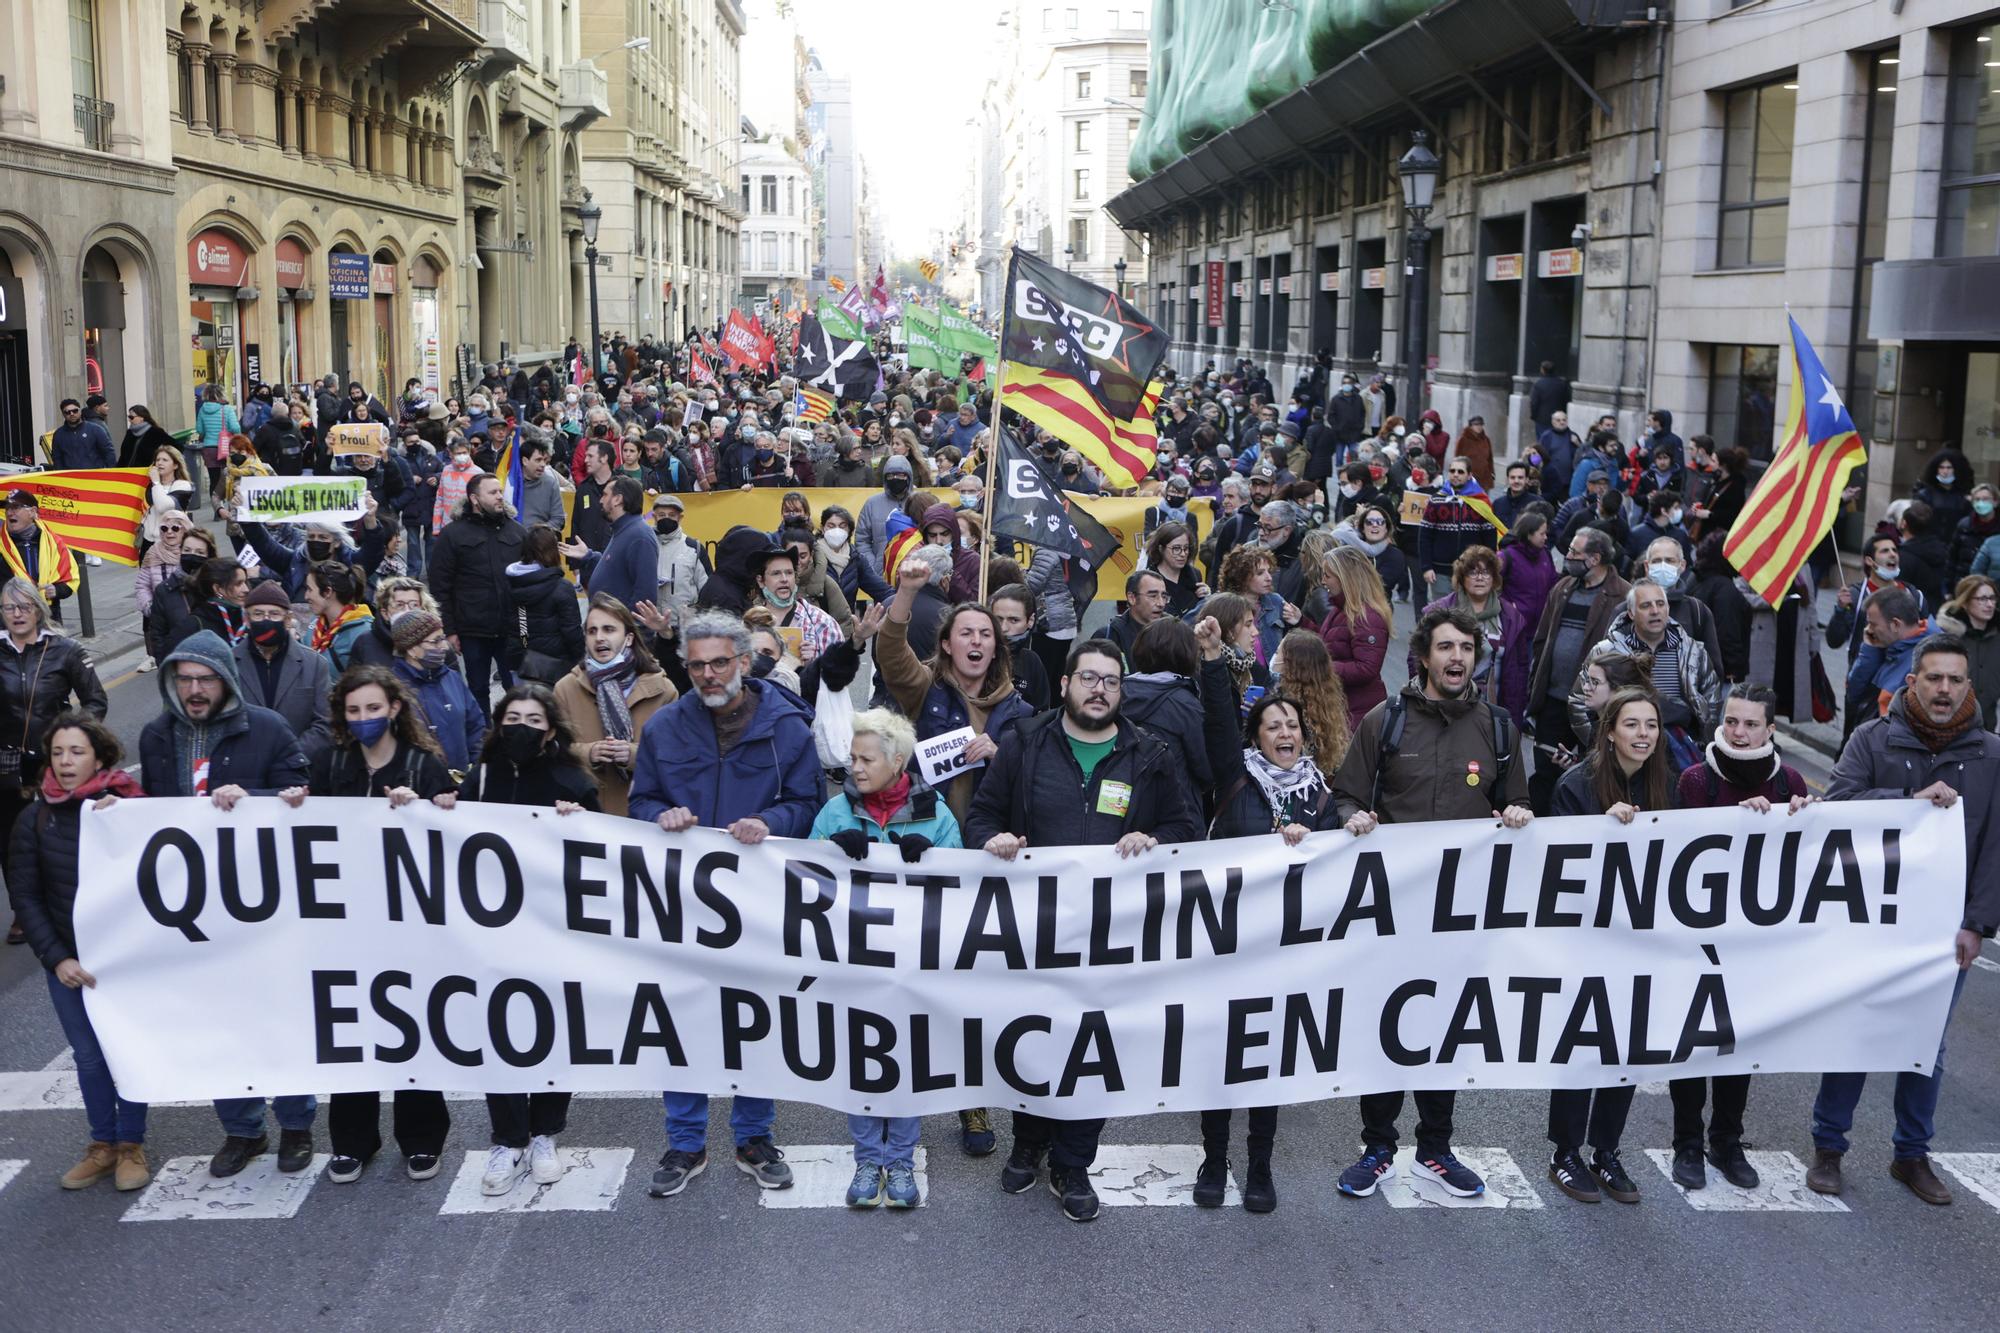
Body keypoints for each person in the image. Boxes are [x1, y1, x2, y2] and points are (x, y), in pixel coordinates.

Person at [966, 638, 1203, 1223]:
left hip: (1111, 938)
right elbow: (982, 817)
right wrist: (993, 841)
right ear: (1066, 683)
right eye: (1089, 678)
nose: (1100, 689)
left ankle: (1073, 1163)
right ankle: (1029, 1141)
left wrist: (1156, 840)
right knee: (1032, 1039)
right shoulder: (1024, 743)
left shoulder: (1150, 753)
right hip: (1035, 931)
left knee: (1094, 1048)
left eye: (1111, 681)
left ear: (1122, 691)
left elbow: (1184, 825)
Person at [1331, 609, 1530, 1201]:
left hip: (1462, 917)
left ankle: (1436, 1149)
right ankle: (1378, 1147)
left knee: (1444, 1030)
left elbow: (1516, 799)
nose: (1457, 657)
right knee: (1390, 1025)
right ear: (1423, 654)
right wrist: (1353, 817)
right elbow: (1345, 793)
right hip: (1392, 911)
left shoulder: (1497, 728)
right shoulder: (1384, 722)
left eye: (1466, 647)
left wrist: (1518, 813)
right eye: (1446, 646)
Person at [629, 611, 821, 1200]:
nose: (709, 675)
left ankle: (754, 1136)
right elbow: (641, 802)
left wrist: (770, 821)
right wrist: (659, 815)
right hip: (683, 906)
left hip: (757, 906)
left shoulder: (788, 726)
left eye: (719, 663)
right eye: (697, 666)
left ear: (743, 661)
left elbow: (808, 802)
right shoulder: (664, 729)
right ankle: (684, 1141)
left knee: (753, 1019)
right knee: (682, 1018)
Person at [1811, 634, 2000, 1205]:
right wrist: (1908, 799)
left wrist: (1978, 924)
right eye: (1934, 678)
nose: (1944, 690)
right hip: (1872, 922)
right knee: (1858, 1031)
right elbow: (1837, 808)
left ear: (1970, 686)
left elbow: (1995, 848)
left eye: (1955, 680)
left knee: (1927, 1043)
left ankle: (1911, 1154)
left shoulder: (1990, 754)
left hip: (1944, 931)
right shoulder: (1873, 738)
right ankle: (1828, 1147)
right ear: (1912, 681)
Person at [138, 629, 313, 1176]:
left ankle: (296, 1125)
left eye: (205, 679)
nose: (194, 689)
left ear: (225, 681)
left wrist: (253, 800)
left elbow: (300, 803)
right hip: (195, 909)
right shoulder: (156, 736)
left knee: (273, 1017)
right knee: (216, 1023)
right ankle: (241, 1130)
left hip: (260, 906)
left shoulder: (267, 729)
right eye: (184, 679)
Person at [276, 666, 456, 1184]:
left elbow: (450, 838)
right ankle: (353, 1141)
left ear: (394, 709)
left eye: (372, 709)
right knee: (351, 1031)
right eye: (353, 711)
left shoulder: (423, 766)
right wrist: (294, 806)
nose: (363, 719)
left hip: (408, 926)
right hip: (345, 924)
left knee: (409, 1028)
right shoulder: (331, 763)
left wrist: (428, 808)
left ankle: (422, 1138)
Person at [1189, 618, 1344, 1215]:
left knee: (1265, 1062)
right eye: (1274, 725)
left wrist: (1348, 832)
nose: (1287, 732)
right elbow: (1217, 722)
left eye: (1294, 726)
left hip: (1285, 953)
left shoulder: (1320, 795)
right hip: (1228, 944)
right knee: (1222, 1058)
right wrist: (1209, 658)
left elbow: (1340, 870)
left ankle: (1259, 1164)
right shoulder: (1237, 777)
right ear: (1256, 738)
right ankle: (1212, 1157)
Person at [809, 708, 963, 1209]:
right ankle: (866, 1158)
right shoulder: (835, 814)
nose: (855, 767)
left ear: (897, 761)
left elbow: (962, 886)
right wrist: (831, 850)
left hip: (911, 965)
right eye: (852, 758)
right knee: (861, 1064)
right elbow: (799, 877)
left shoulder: (936, 815)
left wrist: (936, 860)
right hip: (854, 965)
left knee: (905, 1064)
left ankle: (900, 1159)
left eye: (866, 758)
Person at [452, 682, 600, 1194]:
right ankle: (507, 1138)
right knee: (498, 1031)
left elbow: (599, 859)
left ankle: (545, 1133)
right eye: (512, 718)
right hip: (491, 933)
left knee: (552, 1032)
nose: (521, 728)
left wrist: (579, 825)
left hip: (553, 932)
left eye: (533, 721)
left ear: (551, 730)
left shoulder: (572, 782)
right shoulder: (483, 777)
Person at [1664, 684, 1811, 1192]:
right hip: (1700, 934)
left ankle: (1726, 1140)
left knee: (1737, 1042)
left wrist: (1801, 817)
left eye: (1751, 724)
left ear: (1771, 730)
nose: (1740, 733)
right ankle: (1687, 1141)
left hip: (1756, 942)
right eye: (1732, 722)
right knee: (1694, 1040)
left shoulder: (1789, 781)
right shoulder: (1696, 779)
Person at [8, 711, 150, 1190]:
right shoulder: (34, 819)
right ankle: (102, 1145)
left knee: (124, 1051)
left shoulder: (129, 809)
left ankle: (131, 1144)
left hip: (124, 962)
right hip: (69, 964)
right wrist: (57, 958)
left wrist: (125, 824)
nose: (66, 762)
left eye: (77, 752)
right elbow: (25, 896)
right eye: (57, 753)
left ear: (100, 756)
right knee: (88, 1057)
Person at [1542, 687, 1668, 1205]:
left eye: (1652, 725)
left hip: (1640, 940)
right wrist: (1600, 831)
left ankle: (1606, 1149)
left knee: (1626, 1044)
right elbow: (1559, 861)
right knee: (1582, 1041)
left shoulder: (1667, 784)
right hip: (1586, 938)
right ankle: (1566, 1151)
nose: (1643, 734)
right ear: (1610, 730)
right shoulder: (1577, 784)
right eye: (1633, 724)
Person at [873, 561, 1034, 827]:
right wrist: (907, 592)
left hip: (985, 842)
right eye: (966, 633)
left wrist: (999, 756)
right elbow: (892, 655)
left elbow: (1033, 783)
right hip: (926, 835)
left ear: (995, 649)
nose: (976, 641)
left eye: (985, 634)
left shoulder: (1020, 711)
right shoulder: (925, 688)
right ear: (946, 645)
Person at [0, 578, 108, 953]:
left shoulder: (66, 650)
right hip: (7, 763)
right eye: (8, 608)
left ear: (38, 609)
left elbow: (95, 701)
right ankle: (22, 911)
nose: (16, 614)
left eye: (23, 607)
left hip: (52, 762)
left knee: (59, 835)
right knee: (13, 842)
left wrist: (72, 742)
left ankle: (71, 904)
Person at [1526, 527, 1630, 813]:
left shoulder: (1623, 596)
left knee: (1590, 775)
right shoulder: (1562, 588)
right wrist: (1536, 685)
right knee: (1545, 772)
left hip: (1594, 709)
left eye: (1574, 552)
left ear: (1595, 558)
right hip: (1552, 703)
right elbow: (1541, 640)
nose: (1567, 556)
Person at [1570, 581, 1719, 773]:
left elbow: (1712, 702)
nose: (1655, 611)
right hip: (1622, 758)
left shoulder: (1694, 651)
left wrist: (1699, 744)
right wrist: (1604, 745)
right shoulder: (1606, 651)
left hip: (1679, 755)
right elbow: (1578, 701)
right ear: (1631, 613)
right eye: (1646, 605)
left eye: (1660, 604)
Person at [554, 595, 677, 816]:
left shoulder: (663, 690)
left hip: (643, 817)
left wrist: (632, 754)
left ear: (628, 638)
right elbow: (554, 751)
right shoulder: (566, 688)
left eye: (609, 629)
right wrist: (589, 752)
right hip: (585, 813)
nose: (599, 638)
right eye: (592, 631)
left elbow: (676, 757)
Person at [428, 471, 526, 702]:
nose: (500, 497)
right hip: (472, 631)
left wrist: (526, 628)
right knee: (478, 689)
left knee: (518, 690)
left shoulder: (518, 532)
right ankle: (483, 734)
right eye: (492, 493)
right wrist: (449, 630)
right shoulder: (452, 534)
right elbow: (440, 586)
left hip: (512, 629)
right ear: (474, 499)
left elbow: (529, 580)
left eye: (500, 491)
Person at [1415, 546, 1530, 726]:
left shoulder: (1511, 617)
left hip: (1492, 712)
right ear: (1461, 578)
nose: (1480, 578)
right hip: (1445, 709)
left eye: (1486, 572)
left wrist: (1513, 715)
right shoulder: (1437, 612)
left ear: (1494, 578)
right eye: (1473, 572)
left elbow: (1520, 669)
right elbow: (1416, 659)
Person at [233, 580, 333, 759]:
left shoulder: (315, 664)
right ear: (247, 620)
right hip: (245, 769)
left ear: (287, 620)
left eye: (274, 614)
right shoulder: (229, 663)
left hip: (299, 769)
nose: (266, 620)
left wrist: (290, 755)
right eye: (258, 614)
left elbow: (325, 724)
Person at [1120, 618, 1214, 802]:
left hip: (1122, 802)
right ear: (1186, 652)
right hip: (1176, 806)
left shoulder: (1118, 692)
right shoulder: (1184, 703)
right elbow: (1205, 768)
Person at [389, 610, 486, 771]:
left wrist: (477, 766)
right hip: (418, 788)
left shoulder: (452, 678)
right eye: (435, 641)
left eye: (443, 638)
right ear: (411, 649)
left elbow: (475, 727)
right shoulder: (392, 688)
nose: (444, 647)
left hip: (459, 783)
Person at [1315, 545, 1391, 729]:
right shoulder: (1340, 610)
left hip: (1358, 714)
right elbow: (1332, 642)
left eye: (1327, 575)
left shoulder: (1366, 617)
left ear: (1345, 578)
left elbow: (1366, 668)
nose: (1322, 581)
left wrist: (1320, 667)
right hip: (1344, 707)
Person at [508, 525, 586, 685]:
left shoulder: (512, 582)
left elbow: (514, 626)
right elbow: (572, 632)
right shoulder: (561, 587)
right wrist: (582, 661)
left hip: (523, 665)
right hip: (557, 667)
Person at [1, 491, 79, 624]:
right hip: (9, 621)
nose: (9, 513)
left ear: (32, 512)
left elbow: (70, 579)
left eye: (16, 507)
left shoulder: (54, 544)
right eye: (7, 508)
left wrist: (56, 590)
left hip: (48, 619)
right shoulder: (2, 546)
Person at [1937, 575, 2000, 729]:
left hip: (1991, 726)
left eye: (1992, 598)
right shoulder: (1948, 638)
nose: (1990, 604)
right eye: (1982, 599)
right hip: (1953, 725)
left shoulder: (1997, 637)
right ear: (1965, 602)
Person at [303, 560, 386, 674]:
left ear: (327, 592)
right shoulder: (314, 625)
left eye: (310, 589)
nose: (306, 596)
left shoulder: (364, 633)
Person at [1104, 568, 1169, 663]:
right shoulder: (1110, 636)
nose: (1161, 603)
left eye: (1164, 596)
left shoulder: (1174, 633)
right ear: (1132, 598)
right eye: (1153, 596)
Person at [49, 396, 115, 470]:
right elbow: (57, 459)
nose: (72, 414)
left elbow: (108, 452)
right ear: (63, 414)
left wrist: (108, 472)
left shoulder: (96, 429)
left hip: (96, 477)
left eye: (75, 410)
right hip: (71, 478)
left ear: (80, 411)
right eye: (67, 412)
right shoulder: (58, 435)